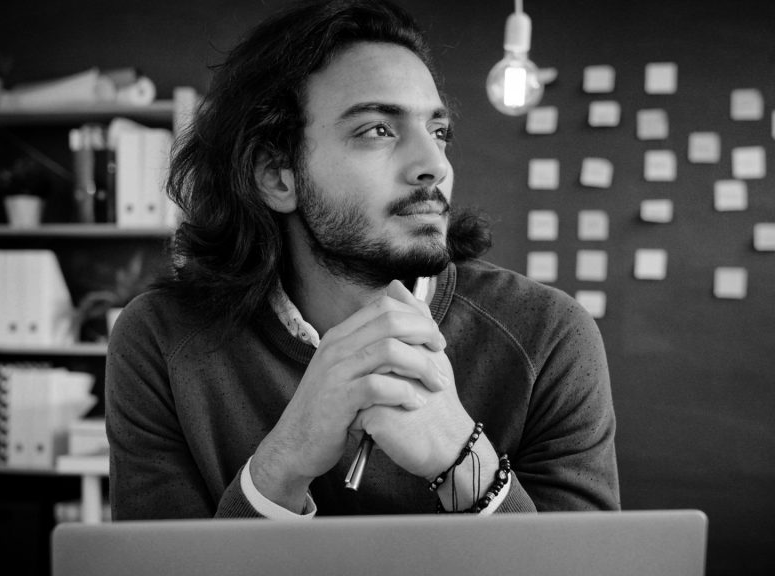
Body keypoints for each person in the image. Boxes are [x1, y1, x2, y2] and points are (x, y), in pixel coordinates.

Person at [106, 0, 619, 519]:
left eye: (438, 132)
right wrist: (283, 463)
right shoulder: (160, 342)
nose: (434, 165)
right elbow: (160, 560)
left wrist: (463, 461)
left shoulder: (549, 335)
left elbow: (586, 561)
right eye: (378, 130)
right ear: (277, 175)